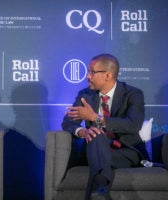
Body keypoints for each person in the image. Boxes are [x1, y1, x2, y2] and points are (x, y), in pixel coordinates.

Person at [62, 53, 145, 200]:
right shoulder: (85, 95)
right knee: (95, 135)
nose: (87, 76)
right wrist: (83, 132)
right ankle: (100, 192)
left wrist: (95, 118)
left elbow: (133, 124)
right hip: (94, 148)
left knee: (99, 157)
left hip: (125, 152)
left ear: (108, 75)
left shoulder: (133, 94)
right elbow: (68, 122)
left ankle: (99, 190)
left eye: (92, 72)